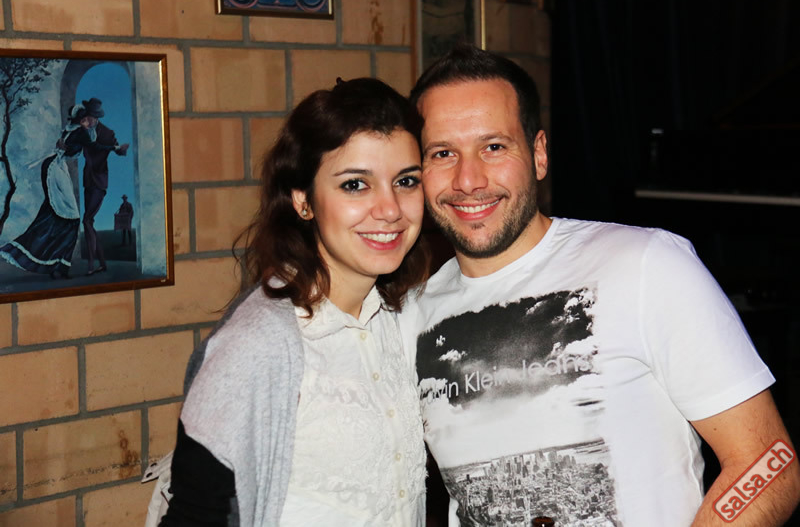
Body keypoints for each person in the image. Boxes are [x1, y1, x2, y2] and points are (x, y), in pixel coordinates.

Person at [398, 45, 800, 526]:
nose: (468, 179)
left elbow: (769, 462)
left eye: (494, 147)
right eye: (443, 153)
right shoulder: (410, 313)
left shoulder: (646, 264)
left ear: (539, 154)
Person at [159, 78, 430, 526]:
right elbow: (196, 513)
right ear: (303, 201)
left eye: (405, 181)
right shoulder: (258, 344)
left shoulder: (401, 317)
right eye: (355, 185)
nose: (390, 209)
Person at [0, 104, 89, 279]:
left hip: (55, 167)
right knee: (70, 219)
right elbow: (86, 146)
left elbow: (70, 149)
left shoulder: (71, 130)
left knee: (57, 217)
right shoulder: (80, 133)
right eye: (85, 119)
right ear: (80, 120)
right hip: (55, 169)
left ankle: (57, 266)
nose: (88, 122)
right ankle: (55, 264)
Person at [77, 97, 129, 275]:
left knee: (87, 220)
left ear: (97, 117)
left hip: (99, 182)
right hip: (87, 180)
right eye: (87, 116)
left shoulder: (107, 133)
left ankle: (91, 264)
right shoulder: (83, 130)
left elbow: (114, 149)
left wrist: (120, 150)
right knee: (89, 221)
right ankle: (102, 263)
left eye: (91, 117)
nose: (88, 120)